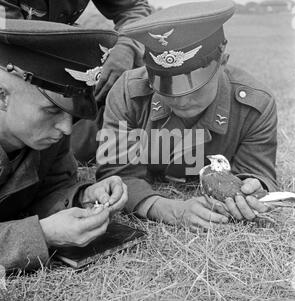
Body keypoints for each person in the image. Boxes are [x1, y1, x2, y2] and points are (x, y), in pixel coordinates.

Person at [96, 0, 278, 230]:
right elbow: (115, 175)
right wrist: (164, 208)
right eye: (166, 87)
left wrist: (252, 188)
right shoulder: (127, 93)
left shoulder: (255, 106)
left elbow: (257, 173)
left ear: (223, 60)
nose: (180, 100)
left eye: (195, 87)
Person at [0, 19, 127, 272]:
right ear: (2, 95)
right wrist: (43, 235)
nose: (67, 128)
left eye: (73, 114)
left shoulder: (47, 135)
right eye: (51, 110)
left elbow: (49, 188)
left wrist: (82, 197)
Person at [0, 0, 152, 162]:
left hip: (63, 64)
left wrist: (127, 47)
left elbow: (133, 8)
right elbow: (9, 41)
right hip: (21, 72)